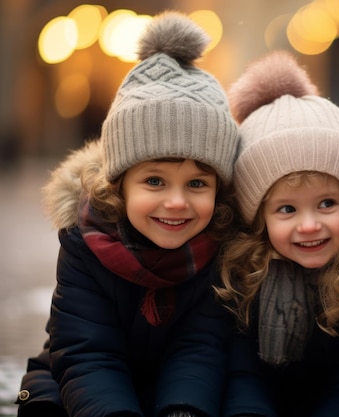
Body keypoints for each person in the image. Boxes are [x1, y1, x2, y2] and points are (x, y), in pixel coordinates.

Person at [15, 11, 240, 417]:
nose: (176, 202)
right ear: (118, 184)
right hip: (84, 383)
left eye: (197, 184)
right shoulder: (86, 244)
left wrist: (182, 409)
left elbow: (201, 346)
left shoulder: (217, 247)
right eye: (155, 182)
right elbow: (84, 349)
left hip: (166, 386)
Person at [214, 50, 339, 417]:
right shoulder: (241, 274)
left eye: (327, 204)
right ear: (259, 218)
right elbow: (241, 373)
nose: (309, 225)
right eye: (287, 209)